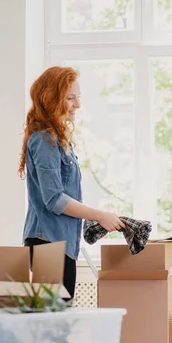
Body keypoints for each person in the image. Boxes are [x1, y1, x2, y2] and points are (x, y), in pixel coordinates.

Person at [19, 66, 125, 299]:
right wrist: (98, 215)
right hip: (48, 244)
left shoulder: (57, 139)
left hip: (59, 243)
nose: (77, 104)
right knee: (52, 325)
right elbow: (55, 200)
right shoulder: (45, 140)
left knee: (56, 321)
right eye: (70, 98)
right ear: (51, 99)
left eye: (78, 97)